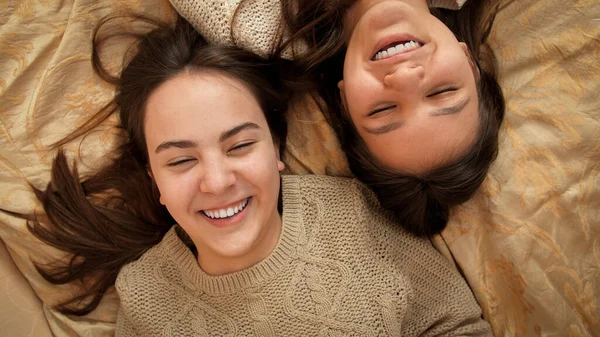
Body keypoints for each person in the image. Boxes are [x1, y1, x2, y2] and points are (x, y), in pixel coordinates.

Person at [26, 14, 492, 335]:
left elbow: (456, 325)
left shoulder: (354, 216)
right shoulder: (145, 297)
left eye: (241, 145)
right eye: (181, 160)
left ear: (276, 151)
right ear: (155, 182)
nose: (217, 181)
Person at [172, 0, 506, 237]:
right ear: (469, 62)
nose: (404, 77)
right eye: (443, 92)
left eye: (383, 110)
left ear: (345, 100)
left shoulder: (249, 24)